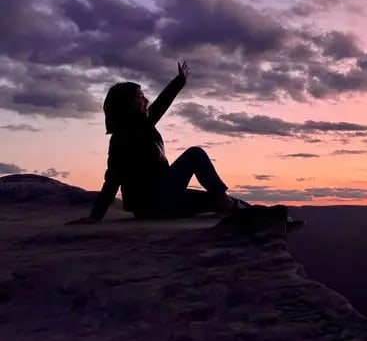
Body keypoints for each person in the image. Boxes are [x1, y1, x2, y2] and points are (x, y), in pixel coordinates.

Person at [68, 61, 247, 224]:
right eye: (139, 97)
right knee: (195, 154)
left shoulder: (143, 125)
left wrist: (179, 81)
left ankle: (233, 206)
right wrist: (95, 216)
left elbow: (161, 103)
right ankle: (226, 204)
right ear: (127, 104)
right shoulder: (122, 139)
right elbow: (112, 180)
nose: (145, 100)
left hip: (163, 197)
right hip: (155, 203)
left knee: (218, 199)